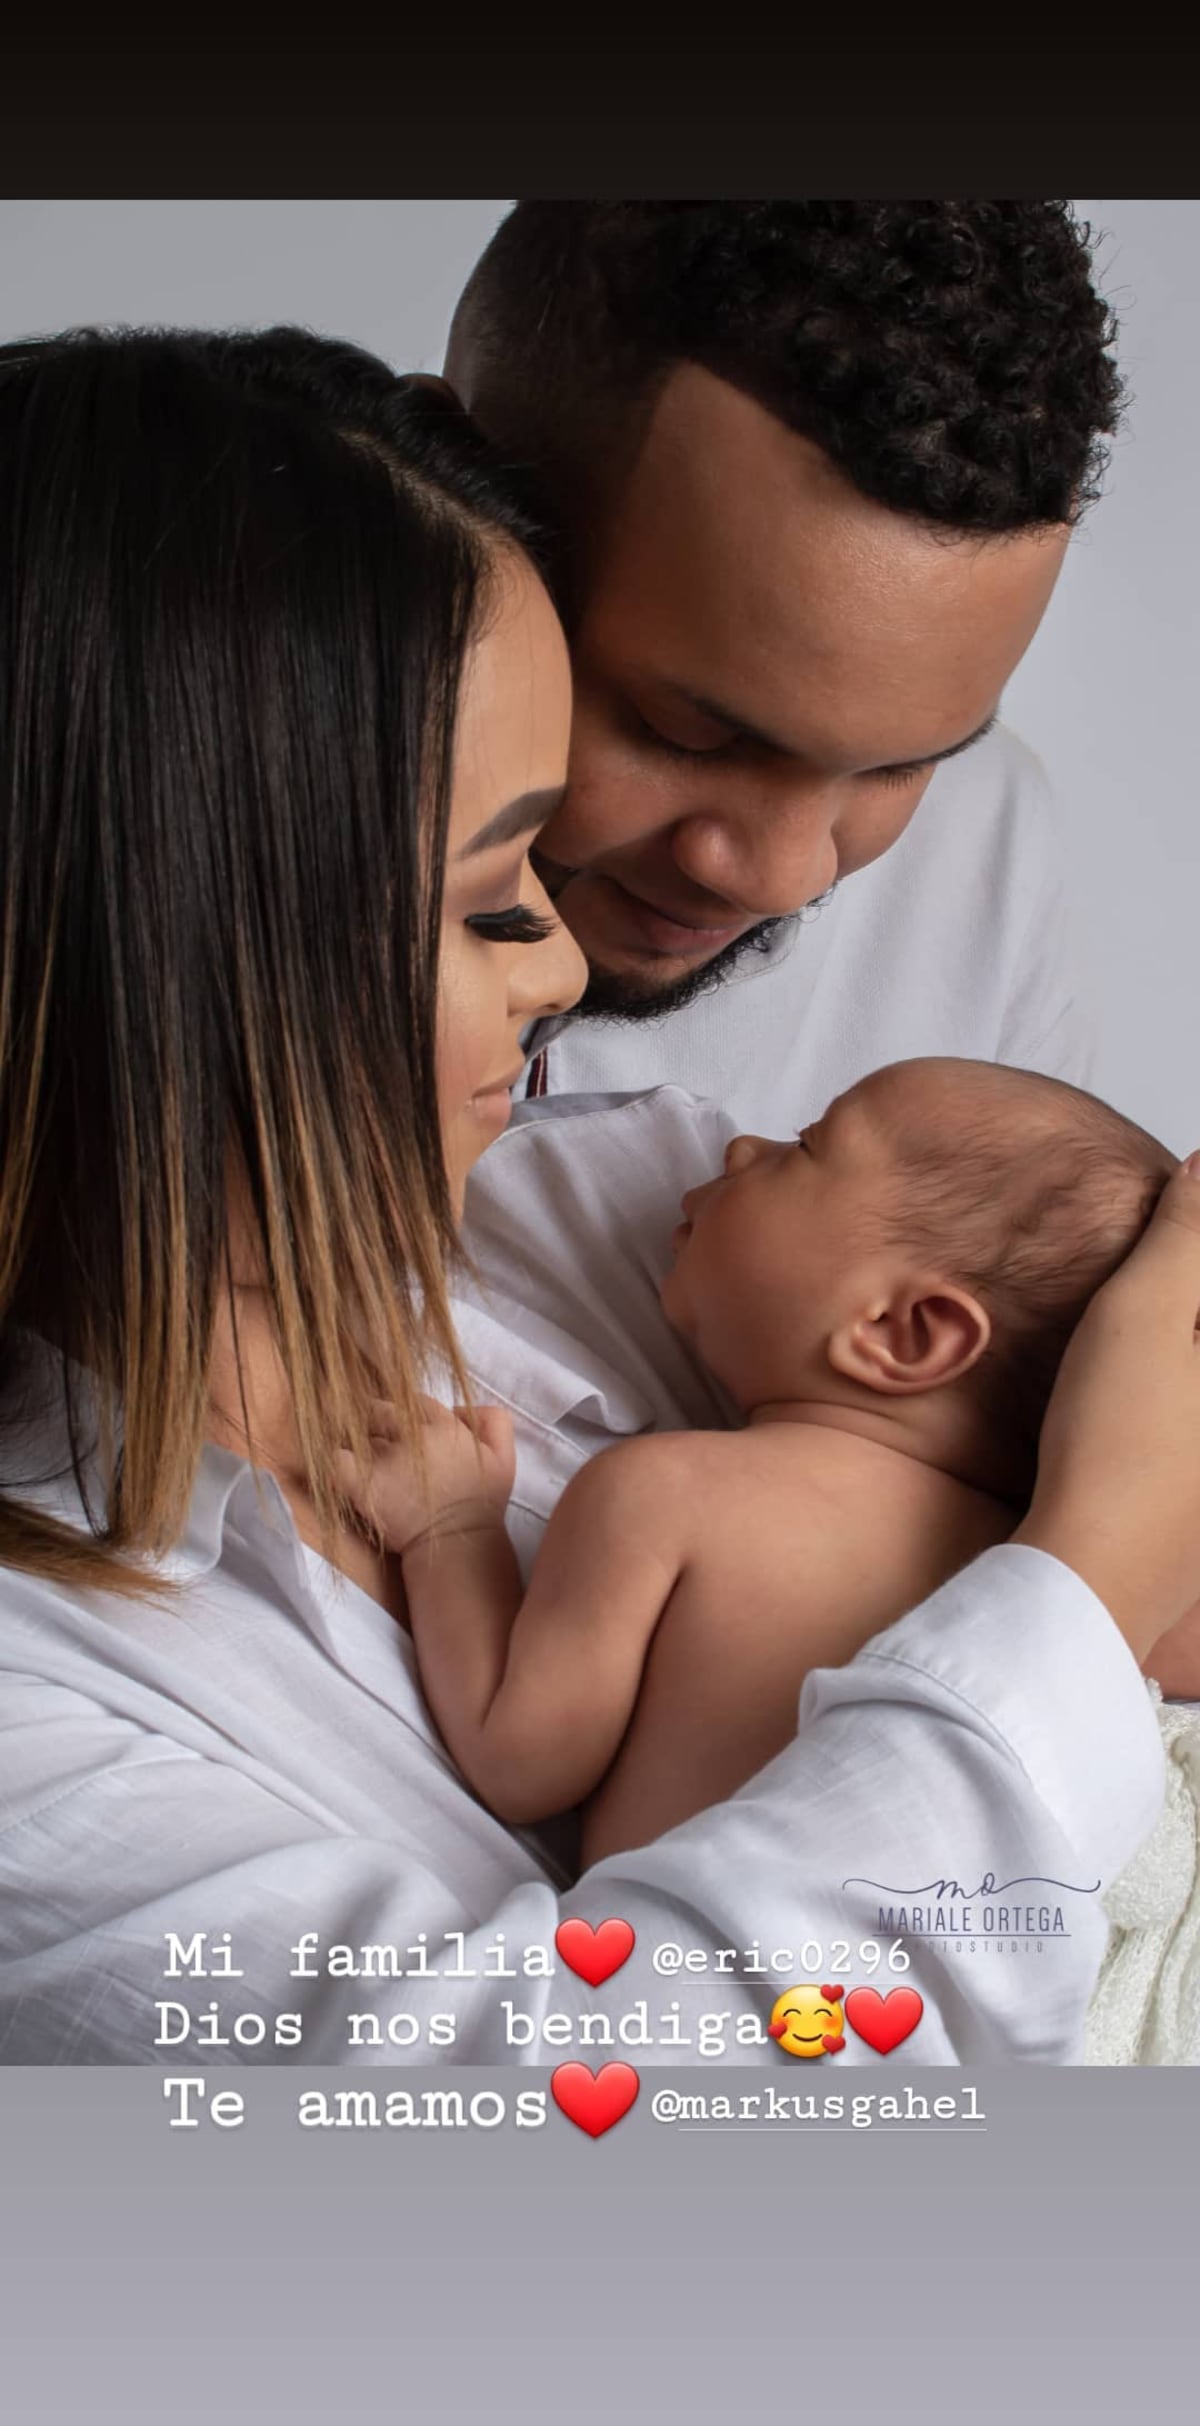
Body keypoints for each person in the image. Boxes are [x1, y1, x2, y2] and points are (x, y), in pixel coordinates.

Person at [0, 323, 1195, 2072]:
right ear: (168, 949)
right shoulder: (50, 1714)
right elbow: (625, 2136)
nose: (564, 965)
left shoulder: (638, 1203)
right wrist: (1082, 1581)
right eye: (494, 900)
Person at [341, 1058, 1178, 1866]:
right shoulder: (1038, 1590)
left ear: (902, 1333)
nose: (741, 1148)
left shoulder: (669, 1494)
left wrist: (449, 1527)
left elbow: (519, 1761)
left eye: (807, 1145)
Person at [444, 202, 1118, 1129]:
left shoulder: (986, 857)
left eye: (901, 765)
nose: (781, 878)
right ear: (441, 498)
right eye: (688, 736)